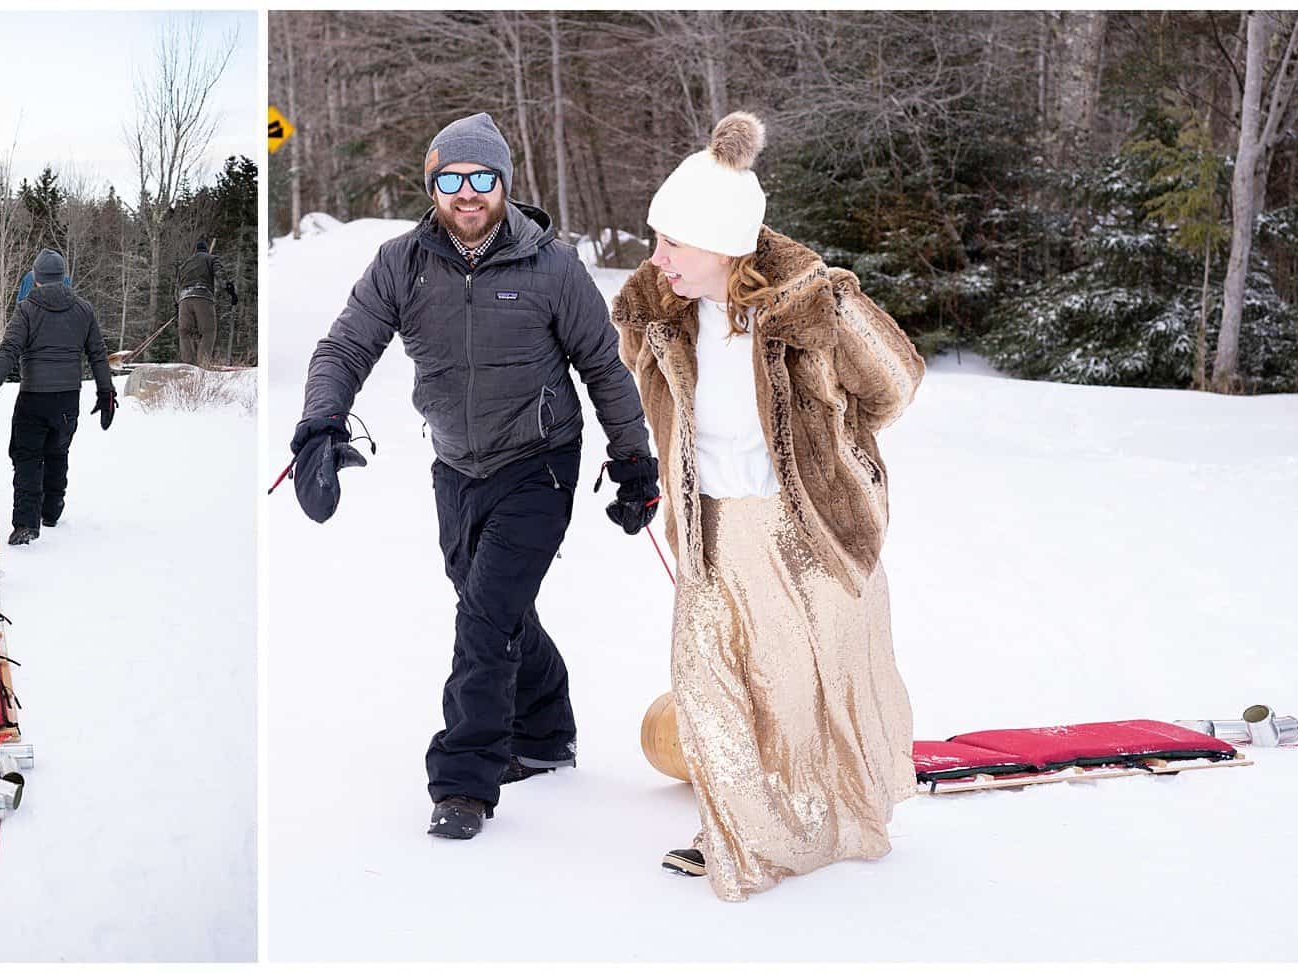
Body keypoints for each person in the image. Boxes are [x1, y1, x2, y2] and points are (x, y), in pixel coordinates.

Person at [292, 112, 660, 840]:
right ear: (433, 185)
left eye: (482, 178)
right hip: (456, 463)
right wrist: (319, 426)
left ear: (503, 185)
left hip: (541, 461)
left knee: (484, 618)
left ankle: (465, 779)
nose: (467, 194)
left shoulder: (550, 264)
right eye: (452, 179)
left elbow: (603, 367)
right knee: (493, 604)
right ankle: (547, 731)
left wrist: (633, 459)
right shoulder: (402, 261)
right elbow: (344, 346)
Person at [611, 112, 925, 901]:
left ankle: (824, 820)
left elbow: (895, 382)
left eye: (672, 242)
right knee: (708, 679)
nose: (657, 258)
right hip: (711, 528)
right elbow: (644, 385)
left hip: (805, 532)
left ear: (722, 244)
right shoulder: (662, 312)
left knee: (797, 691)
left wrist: (836, 438)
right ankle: (737, 828)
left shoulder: (808, 305)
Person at [0, 247, 116, 546]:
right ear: (62, 277)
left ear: (35, 278)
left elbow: (8, 351)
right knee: (57, 452)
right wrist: (106, 392)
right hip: (67, 399)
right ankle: (51, 510)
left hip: (34, 398)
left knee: (27, 457)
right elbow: (98, 354)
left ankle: (26, 522)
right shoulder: (83, 309)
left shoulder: (26, 310)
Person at [175, 238, 238, 368]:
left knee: (184, 333)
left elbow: (177, 286)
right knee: (208, 332)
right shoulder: (211, 259)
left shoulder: (185, 264)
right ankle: (202, 366)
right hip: (202, 297)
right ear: (205, 249)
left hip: (184, 299)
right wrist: (230, 291)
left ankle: (188, 366)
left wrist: (177, 305)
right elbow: (220, 275)